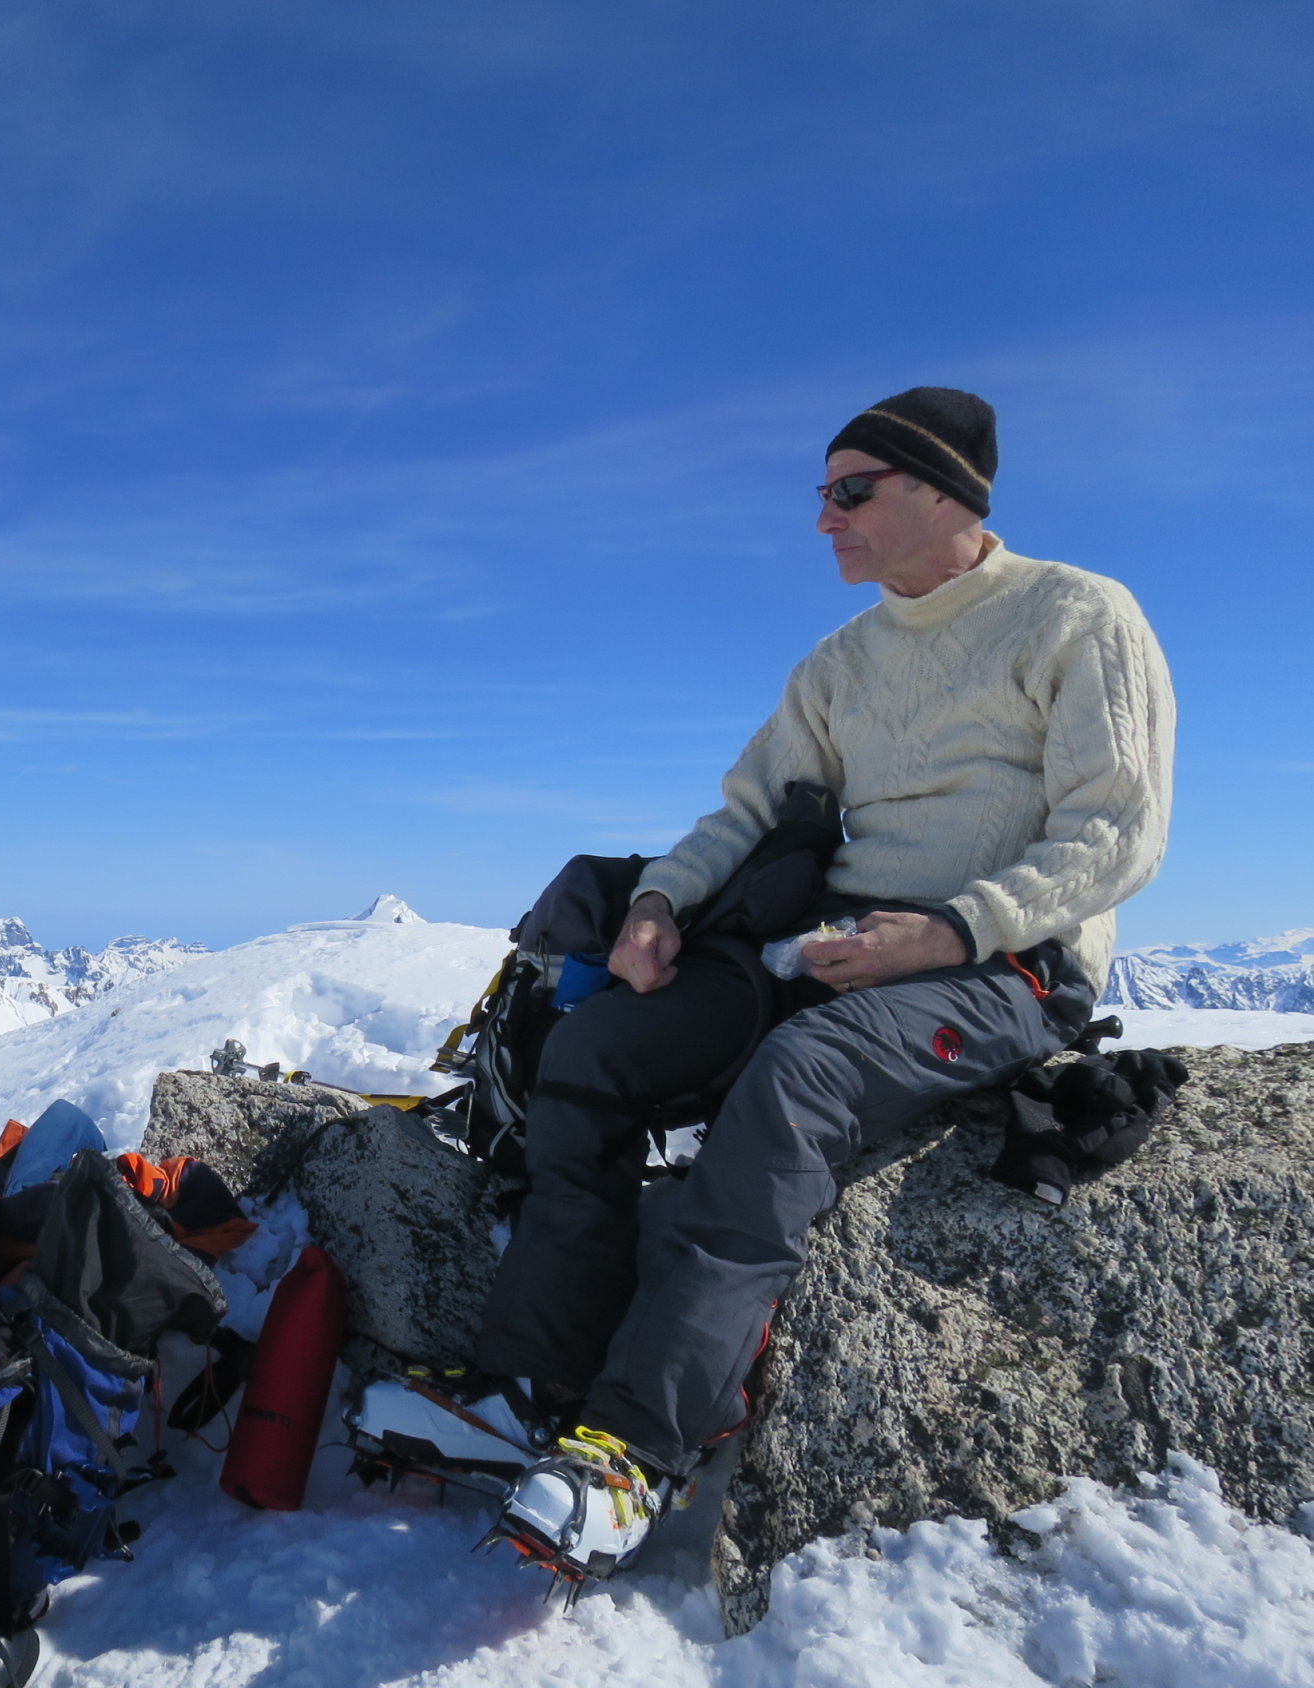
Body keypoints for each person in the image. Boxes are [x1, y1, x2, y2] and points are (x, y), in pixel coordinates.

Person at [473, 388, 1175, 1574]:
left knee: (799, 1077)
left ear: (943, 493)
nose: (824, 519)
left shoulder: (1077, 615)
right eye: (824, 493)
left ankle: (636, 1445)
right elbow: (745, 811)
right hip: (835, 944)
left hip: (1004, 958)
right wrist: (659, 904)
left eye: (852, 490)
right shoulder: (841, 662)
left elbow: (1118, 831)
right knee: (592, 1049)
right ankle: (530, 1384)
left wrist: (948, 928)